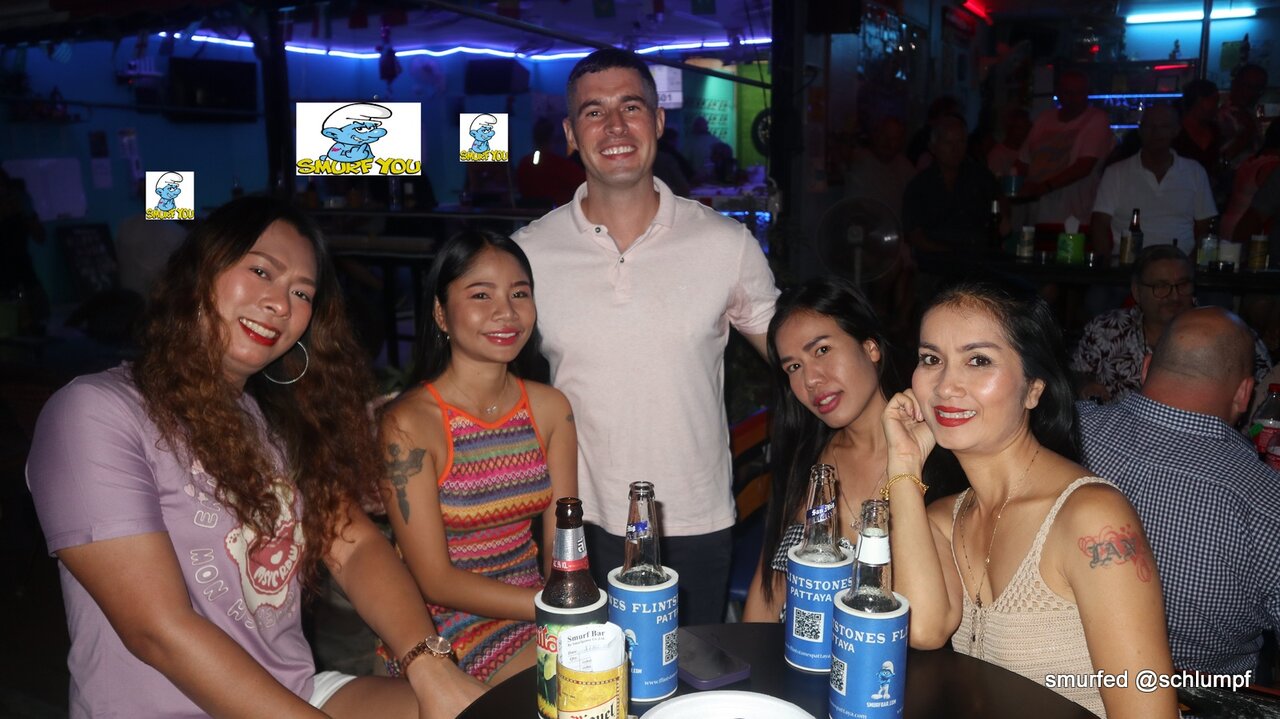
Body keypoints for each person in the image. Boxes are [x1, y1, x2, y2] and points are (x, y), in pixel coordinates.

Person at [25, 197, 485, 718]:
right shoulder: (94, 412)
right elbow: (159, 631)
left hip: (292, 691)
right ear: (200, 272)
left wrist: (429, 665)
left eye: (302, 292)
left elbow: (354, 546)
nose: (281, 304)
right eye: (262, 271)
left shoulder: (273, 420)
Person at [512, 48, 778, 625]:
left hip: (694, 519)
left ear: (657, 122)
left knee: (694, 674)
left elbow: (793, 357)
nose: (614, 126)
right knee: (588, 674)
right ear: (570, 134)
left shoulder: (725, 245)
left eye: (631, 107)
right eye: (594, 112)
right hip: (577, 519)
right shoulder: (529, 253)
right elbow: (485, 373)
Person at [882, 281, 1178, 718]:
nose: (945, 386)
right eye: (931, 359)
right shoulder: (944, 518)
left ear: (1034, 388)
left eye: (978, 360)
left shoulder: (1090, 518)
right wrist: (904, 465)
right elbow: (922, 628)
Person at [377, 230, 577, 683]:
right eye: (481, 295)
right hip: (438, 625)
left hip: (535, 604)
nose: (506, 311)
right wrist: (554, 608)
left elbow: (561, 539)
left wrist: (566, 597)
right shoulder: (409, 424)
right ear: (440, 313)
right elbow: (435, 580)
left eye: (519, 293)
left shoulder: (550, 408)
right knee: (572, 680)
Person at [1078, 306, 1280, 676]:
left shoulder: (1065, 428)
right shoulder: (1267, 503)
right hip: (1195, 699)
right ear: (1244, 394)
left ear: (1145, 368)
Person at [742, 277, 895, 621]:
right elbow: (770, 594)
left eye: (822, 350)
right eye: (794, 367)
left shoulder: (933, 456)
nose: (810, 380)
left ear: (870, 347)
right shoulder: (809, 462)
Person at [1071, 245, 1272, 402]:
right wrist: (1086, 385)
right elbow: (1076, 372)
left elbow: (1266, 391)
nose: (1174, 296)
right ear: (1137, 291)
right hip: (1118, 434)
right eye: (1161, 286)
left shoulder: (1228, 333)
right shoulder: (1106, 329)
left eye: (1182, 285)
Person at [1089, 104, 1216, 257]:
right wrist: (1106, 264)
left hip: (1179, 263)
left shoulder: (1194, 171)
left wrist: (1192, 264)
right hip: (1129, 265)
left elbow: (1206, 226)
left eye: (1164, 126)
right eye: (1150, 126)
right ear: (1140, 130)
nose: (1156, 132)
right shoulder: (1116, 173)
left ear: (1176, 131)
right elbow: (1099, 223)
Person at [1017, 69, 1114, 226]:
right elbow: (1023, 161)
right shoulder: (1044, 118)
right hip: (1036, 213)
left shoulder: (1096, 119)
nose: (1074, 98)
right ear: (1059, 93)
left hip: (1074, 216)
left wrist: (1043, 188)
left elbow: (1084, 166)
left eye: (1079, 93)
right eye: (1068, 93)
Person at [901, 115, 1000, 253]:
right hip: (936, 259)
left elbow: (1000, 204)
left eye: (961, 142)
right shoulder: (920, 186)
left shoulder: (980, 177)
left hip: (978, 257)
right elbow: (914, 235)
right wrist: (950, 253)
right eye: (948, 143)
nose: (955, 149)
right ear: (933, 147)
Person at [845, 116, 916, 221]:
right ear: (875, 135)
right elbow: (854, 209)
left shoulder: (905, 166)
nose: (888, 142)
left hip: (899, 228)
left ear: (901, 142)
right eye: (883, 135)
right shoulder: (860, 162)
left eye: (894, 139)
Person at [1222, 120, 1280, 241]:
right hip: (1245, 229)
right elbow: (1265, 206)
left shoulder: (1252, 160)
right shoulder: (1271, 165)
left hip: (1230, 223)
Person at [516, 117, 586, 208]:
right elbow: (586, 186)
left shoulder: (524, 163)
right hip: (560, 214)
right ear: (554, 139)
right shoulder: (562, 166)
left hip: (529, 215)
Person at [1220, 64, 1270, 173]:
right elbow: (1218, 160)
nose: (1252, 93)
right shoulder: (1223, 115)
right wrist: (1247, 133)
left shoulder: (1249, 113)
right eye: (1247, 86)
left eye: (1258, 88)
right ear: (1235, 84)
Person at [1171, 79, 1222, 181]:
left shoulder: (1215, 129)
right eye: (1214, 101)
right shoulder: (1175, 132)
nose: (1217, 106)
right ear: (1200, 100)